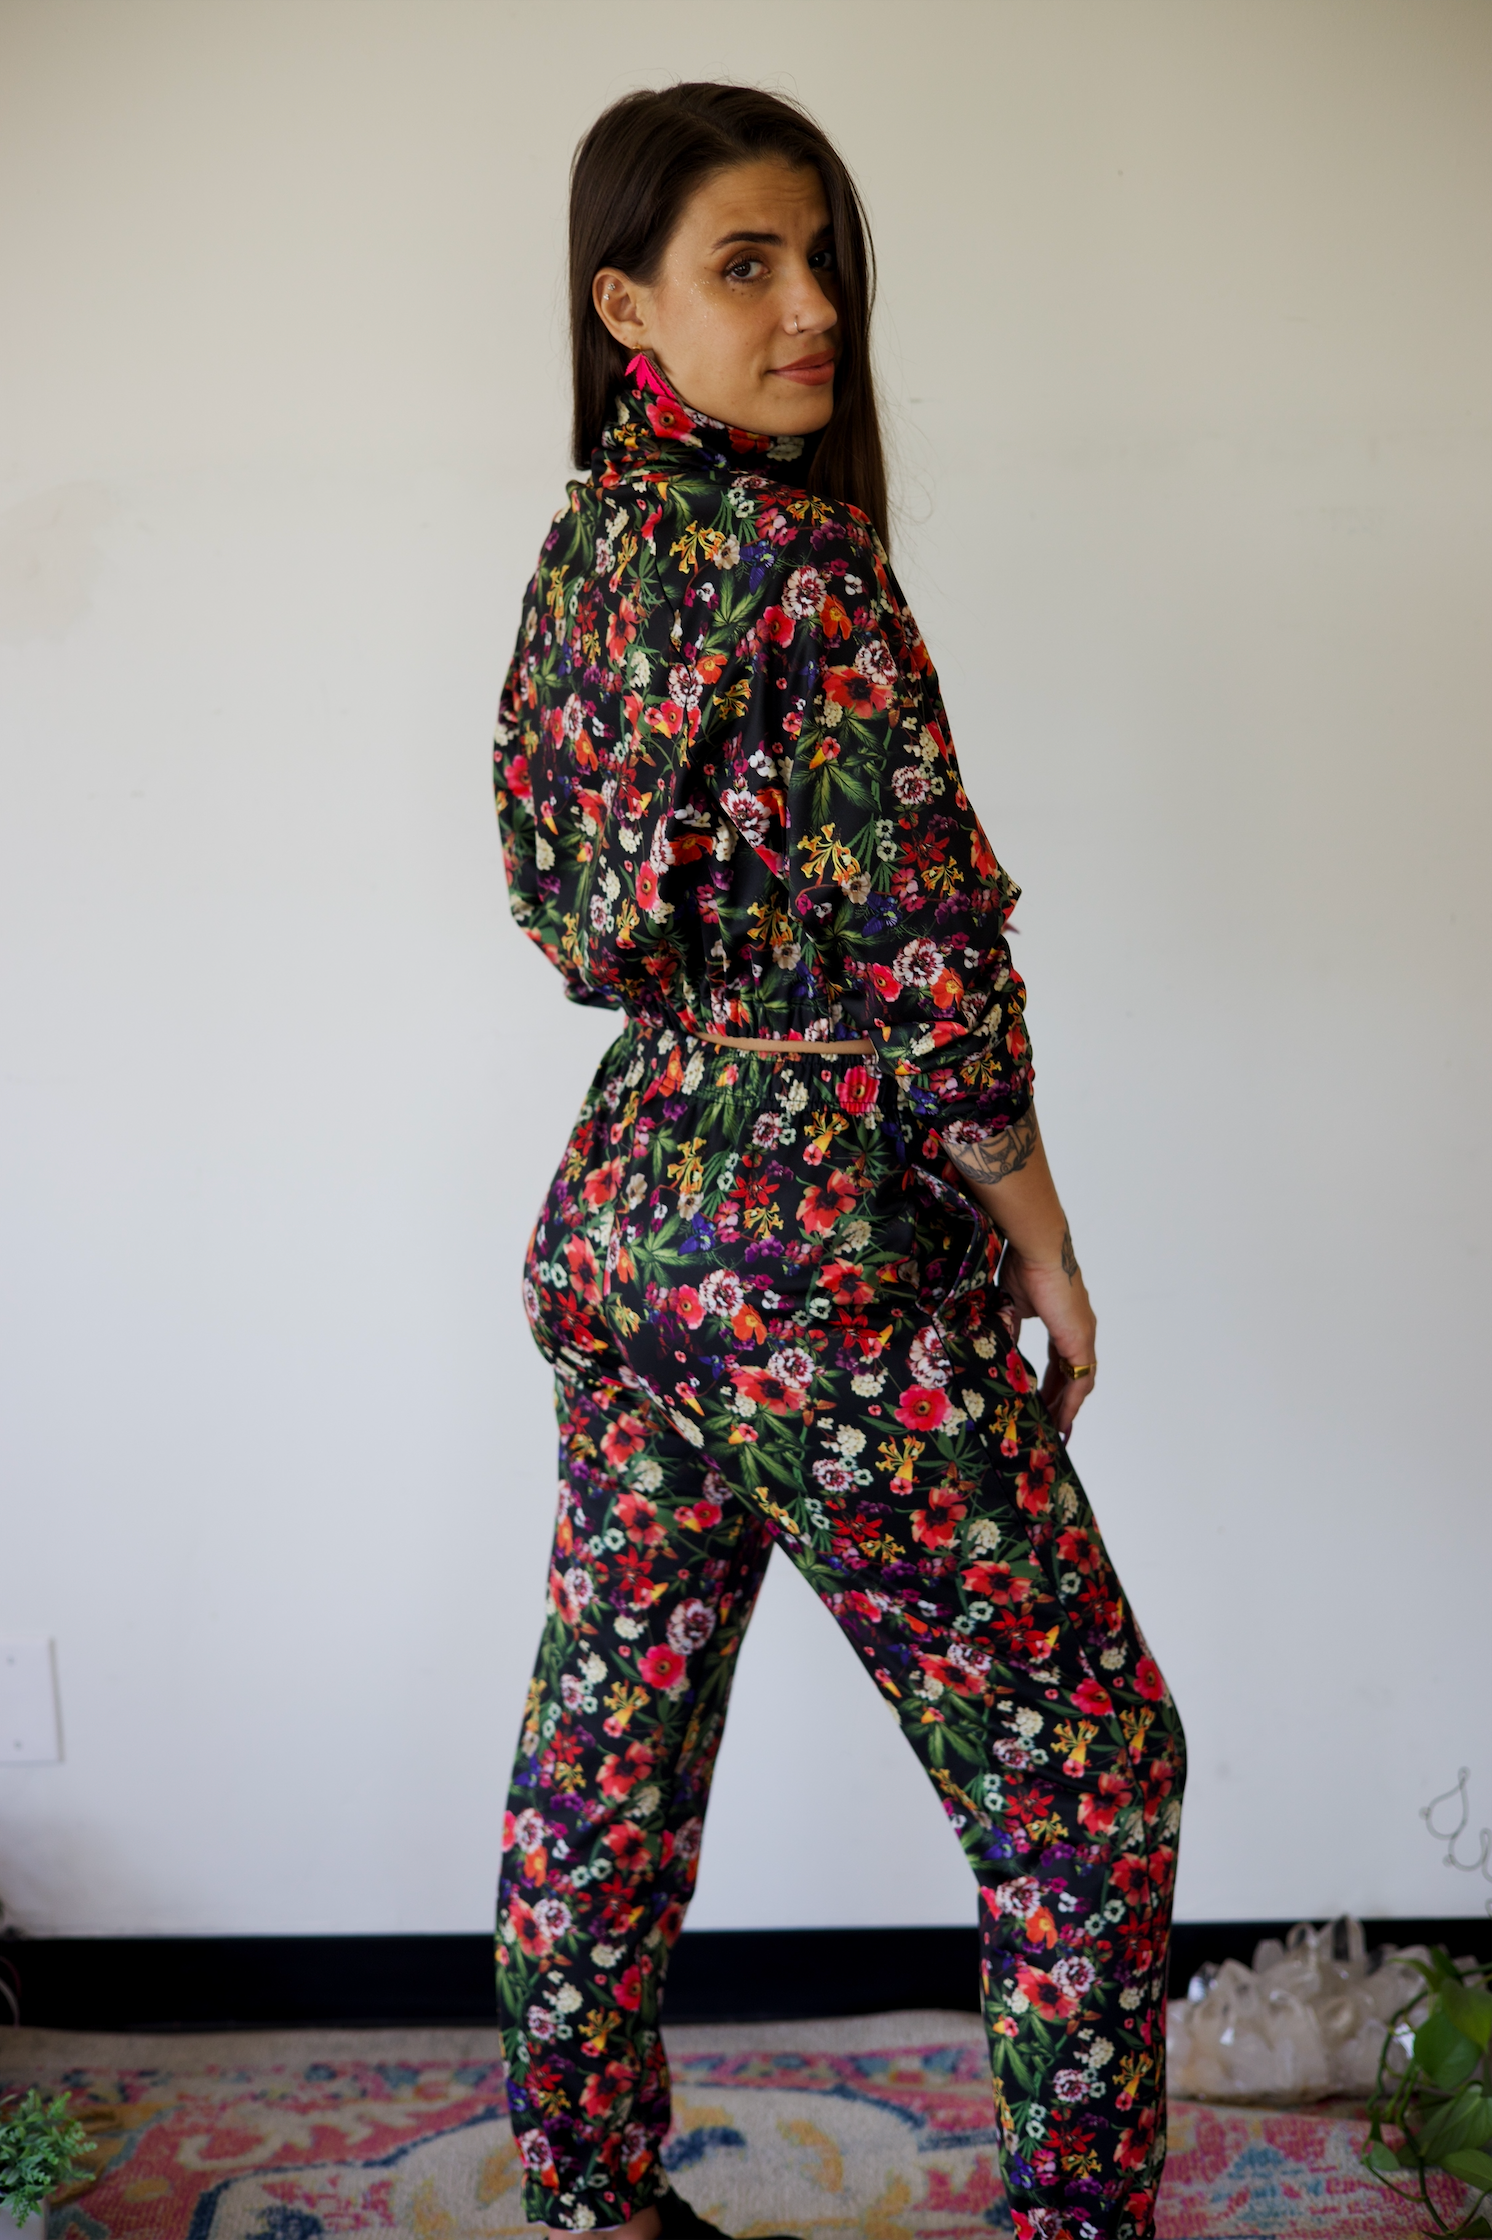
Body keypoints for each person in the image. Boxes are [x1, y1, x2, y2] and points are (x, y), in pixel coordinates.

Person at [492, 82, 1185, 2240]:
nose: (810, 310)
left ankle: (590, 2204)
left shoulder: (591, 545)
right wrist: (1043, 1244)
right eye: (745, 265)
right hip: (812, 1247)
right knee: (1088, 1774)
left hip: (624, 1204)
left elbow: (551, 903)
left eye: (823, 262)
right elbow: (937, 972)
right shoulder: (804, 570)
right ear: (625, 304)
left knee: (612, 1741)